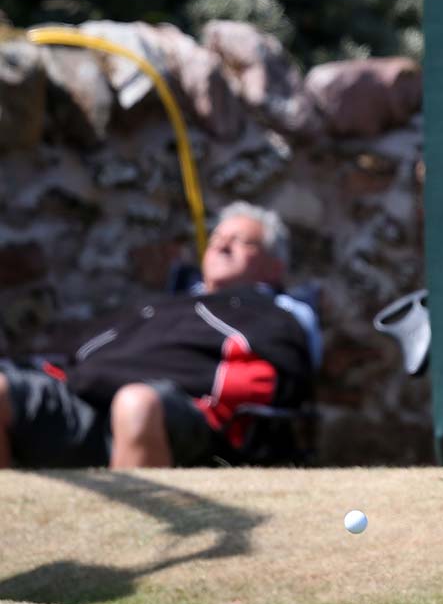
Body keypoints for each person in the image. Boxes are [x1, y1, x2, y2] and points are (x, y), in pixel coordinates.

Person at [0, 201, 321, 469]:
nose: (222, 244)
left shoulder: (277, 317)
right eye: (217, 237)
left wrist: (123, 380)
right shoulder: (161, 307)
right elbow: (76, 357)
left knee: (135, 404)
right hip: (90, 403)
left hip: (181, 422)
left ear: (275, 268)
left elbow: (255, 389)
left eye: (241, 241)